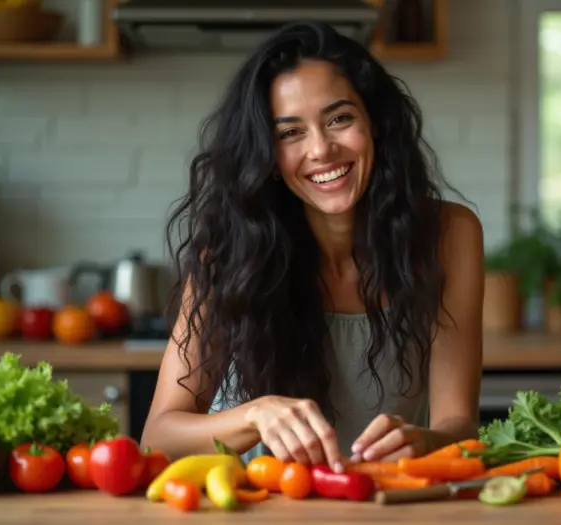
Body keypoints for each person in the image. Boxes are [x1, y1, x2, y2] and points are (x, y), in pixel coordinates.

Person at [141, 21, 484, 473]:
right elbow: (157, 438)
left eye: (339, 118)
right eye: (290, 133)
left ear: (375, 123)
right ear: (267, 155)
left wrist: (425, 441)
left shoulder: (449, 236)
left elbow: (459, 424)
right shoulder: (229, 255)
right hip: (253, 505)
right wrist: (255, 414)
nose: (321, 149)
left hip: (380, 504)